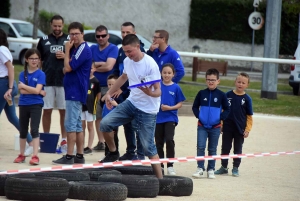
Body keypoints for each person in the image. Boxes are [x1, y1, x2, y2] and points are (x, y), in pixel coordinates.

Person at [99, 34, 163, 179]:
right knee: (105, 124)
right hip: (131, 102)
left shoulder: (150, 64)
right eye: (125, 52)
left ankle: (160, 180)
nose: (127, 54)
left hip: (148, 109)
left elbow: (158, 91)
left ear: (137, 47)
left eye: (130, 51)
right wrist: (109, 93)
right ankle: (113, 152)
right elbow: (123, 77)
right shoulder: (127, 61)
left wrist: (149, 92)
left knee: (148, 147)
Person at [52, 22, 92, 164]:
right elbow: (66, 68)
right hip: (73, 90)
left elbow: (67, 68)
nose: (73, 36)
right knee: (77, 125)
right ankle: (79, 156)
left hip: (75, 91)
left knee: (70, 125)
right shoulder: (77, 49)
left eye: (76, 33)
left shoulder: (81, 48)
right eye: (71, 34)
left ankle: (69, 156)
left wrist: (66, 50)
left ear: (82, 34)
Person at [112, 22, 145, 160]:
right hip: (122, 93)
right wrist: (113, 85)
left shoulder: (140, 50)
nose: (124, 35)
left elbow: (137, 75)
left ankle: (140, 153)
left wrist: (122, 87)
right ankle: (130, 151)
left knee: (137, 124)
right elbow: (117, 71)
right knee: (127, 123)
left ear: (134, 34)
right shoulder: (121, 50)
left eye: (128, 32)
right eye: (123, 32)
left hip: (134, 93)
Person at [37, 15, 69, 154]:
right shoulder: (43, 40)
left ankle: (64, 140)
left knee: (63, 111)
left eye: (59, 26)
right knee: (47, 110)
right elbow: (38, 60)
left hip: (64, 81)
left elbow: (75, 59)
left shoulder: (69, 40)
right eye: (55, 26)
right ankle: (46, 137)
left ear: (63, 25)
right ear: (51, 25)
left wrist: (65, 56)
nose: (57, 28)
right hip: (48, 80)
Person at [0, 28, 33, 156]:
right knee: (12, 117)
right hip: (5, 84)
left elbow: (11, 68)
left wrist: (9, 88)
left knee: (12, 116)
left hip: (3, 84)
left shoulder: (1, 49)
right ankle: (31, 142)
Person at [192, 68, 230, 179]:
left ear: (218, 81)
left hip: (216, 127)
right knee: (200, 147)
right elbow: (194, 106)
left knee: (212, 149)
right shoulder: (201, 93)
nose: (210, 82)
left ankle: (211, 169)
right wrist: (199, 116)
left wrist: (220, 118)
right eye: (208, 79)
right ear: (205, 80)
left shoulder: (222, 95)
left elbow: (227, 109)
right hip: (202, 126)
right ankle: (200, 168)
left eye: (213, 80)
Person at [214, 72, 253, 177]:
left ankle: (235, 168)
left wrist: (247, 129)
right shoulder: (227, 95)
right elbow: (222, 110)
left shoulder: (247, 99)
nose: (240, 84)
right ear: (235, 82)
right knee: (225, 147)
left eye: (243, 83)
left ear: (247, 85)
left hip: (240, 129)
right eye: (239, 82)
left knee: (238, 149)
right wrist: (221, 123)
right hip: (227, 127)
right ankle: (224, 167)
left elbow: (249, 116)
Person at [13, 48, 46, 165]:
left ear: (39, 60)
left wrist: (26, 87)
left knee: (34, 129)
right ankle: (21, 154)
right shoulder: (22, 74)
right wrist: (37, 91)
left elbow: (37, 91)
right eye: (31, 58)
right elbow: (22, 92)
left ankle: (35, 155)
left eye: (36, 58)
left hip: (36, 104)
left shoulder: (41, 74)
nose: (34, 61)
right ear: (26, 60)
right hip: (23, 104)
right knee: (23, 130)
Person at [90, 25, 118, 152]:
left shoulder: (113, 48)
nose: (100, 38)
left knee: (109, 114)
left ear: (108, 36)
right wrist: (101, 63)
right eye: (98, 36)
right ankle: (101, 142)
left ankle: (110, 143)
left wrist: (95, 67)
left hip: (109, 87)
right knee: (97, 115)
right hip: (94, 86)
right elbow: (89, 65)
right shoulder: (92, 48)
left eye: (103, 35)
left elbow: (109, 66)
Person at [155, 63, 186, 175]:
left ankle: (170, 165)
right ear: (161, 73)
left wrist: (170, 108)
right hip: (158, 118)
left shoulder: (176, 87)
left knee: (169, 139)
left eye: (169, 73)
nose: (166, 75)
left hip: (170, 118)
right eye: (164, 73)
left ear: (173, 74)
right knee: (158, 142)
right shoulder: (157, 85)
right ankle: (161, 165)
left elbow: (180, 103)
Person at [101, 74, 123, 156]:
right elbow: (101, 102)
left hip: (114, 120)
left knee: (114, 137)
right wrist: (106, 96)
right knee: (106, 137)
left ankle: (115, 153)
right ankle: (107, 153)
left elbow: (121, 107)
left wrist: (114, 103)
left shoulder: (118, 95)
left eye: (113, 84)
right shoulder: (107, 94)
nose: (110, 86)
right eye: (109, 84)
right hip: (105, 119)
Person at [82, 65, 101, 154]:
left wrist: (96, 105)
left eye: (91, 68)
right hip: (82, 106)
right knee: (82, 126)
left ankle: (89, 146)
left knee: (90, 126)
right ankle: (81, 145)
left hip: (91, 108)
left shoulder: (96, 81)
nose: (89, 70)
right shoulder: (82, 78)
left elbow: (98, 94)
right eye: (88, 68)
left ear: (95, 69)